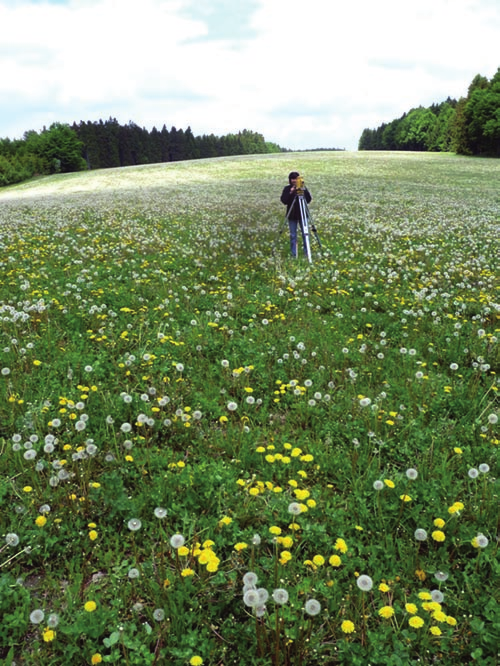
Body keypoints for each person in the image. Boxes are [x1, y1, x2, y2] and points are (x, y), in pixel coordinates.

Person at [280, 171, 312, 258]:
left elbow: (308, 200)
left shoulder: (303, 188)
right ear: (290, 180)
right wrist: (290, 192)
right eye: (292, 179)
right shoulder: (287, 188)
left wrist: (303, 191)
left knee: (305, 234)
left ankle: (307, 253)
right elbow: (284, 201)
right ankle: (294, 254)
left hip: (303, 214)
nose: (294, 181)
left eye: (296, 179)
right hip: (292, 215)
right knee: (293, 235)